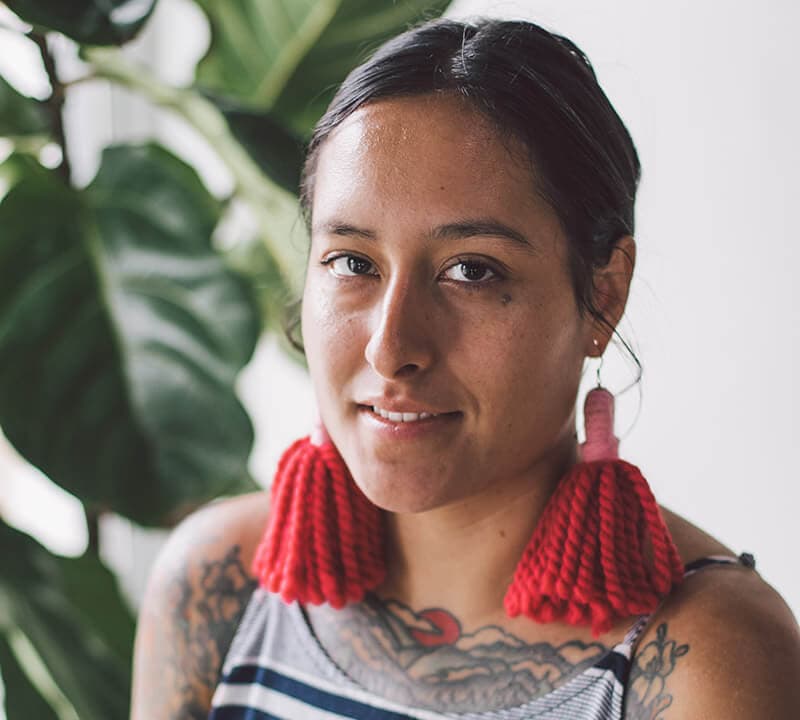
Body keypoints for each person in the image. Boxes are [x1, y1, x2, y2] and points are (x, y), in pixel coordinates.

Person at [130, 17, 800, 720]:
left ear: (603, 295)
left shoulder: (707, 654)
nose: (390, 348)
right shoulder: (217, 585)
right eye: (353, 262)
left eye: (471, 271)